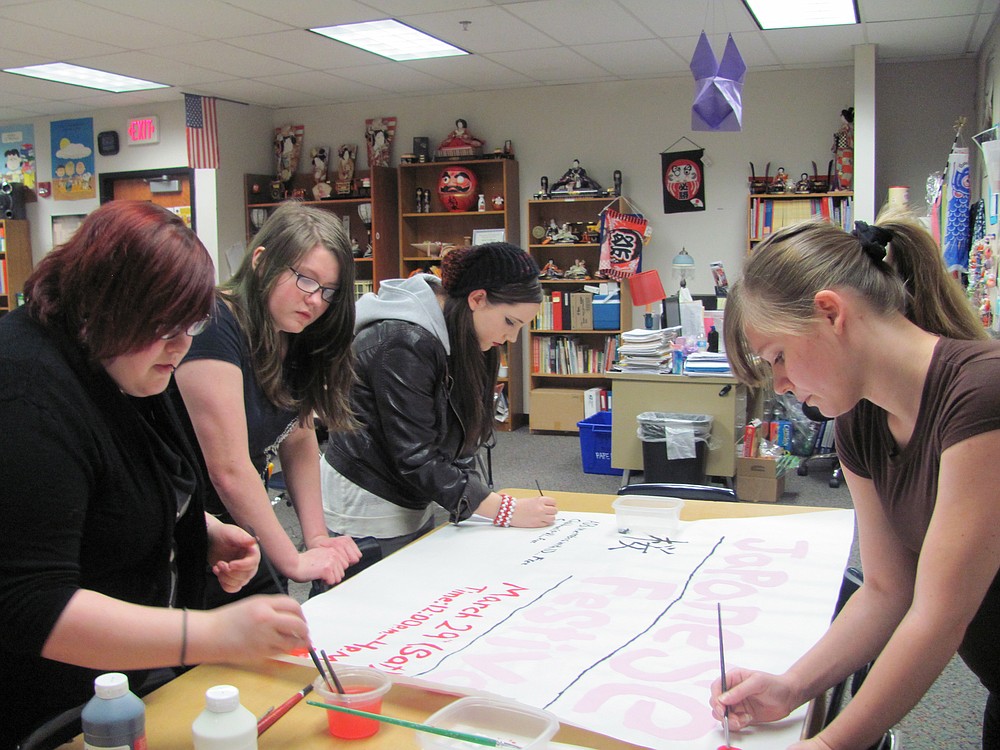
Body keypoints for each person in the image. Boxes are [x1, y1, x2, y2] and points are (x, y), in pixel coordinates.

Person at [0, 201, 313, 749]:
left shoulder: (128, 354)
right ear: (103, 306)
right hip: (45, 705)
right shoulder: (26, 390)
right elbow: (31, 604)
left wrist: (198, 529)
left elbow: (131, 478)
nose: (183, 346)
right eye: (166, 326)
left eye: (193, 325)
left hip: (124, 685)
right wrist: (211, 634)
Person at [711, 211, 1000, 749]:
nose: (782, 383)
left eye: (779, 357)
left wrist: (827, 744)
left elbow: (940, 615)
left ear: (830, 313)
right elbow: (889, 590)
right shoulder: (860, 422)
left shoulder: (983, 392)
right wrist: (792, 686)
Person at [172, 202, 362, 606]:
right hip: (189, 528)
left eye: (329, 291)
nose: (316, 301)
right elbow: (228, 468)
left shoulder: (293, 330)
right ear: (261, 261)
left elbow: (298, 439)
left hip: (242, 525)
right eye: (305, 280)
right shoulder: (215, 322)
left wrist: (316, 538)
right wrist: (292, 560)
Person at [321, 243, 559, 558]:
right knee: (371, 592)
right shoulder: (402, 343)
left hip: (411, 487)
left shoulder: (464, 331)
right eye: (510, 322)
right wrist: (503, 509)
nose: (513, 337)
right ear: (478, 299)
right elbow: (416, 457)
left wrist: (475, 499)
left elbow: (457, 437)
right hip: (369, 495)